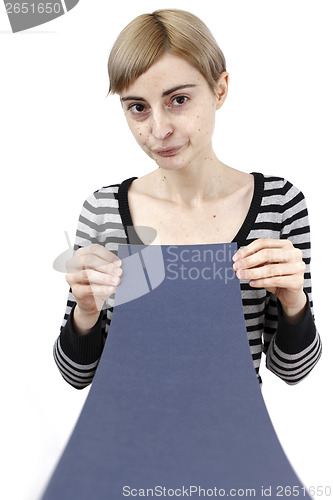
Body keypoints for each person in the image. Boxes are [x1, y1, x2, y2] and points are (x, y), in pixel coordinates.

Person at [54, 9, 322, 389]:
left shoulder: (280, 203)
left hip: (233, 439)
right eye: (138, 107)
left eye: (178, 100)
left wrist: (295, 302)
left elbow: (292, 370)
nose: (159, 129)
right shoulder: (103, 210)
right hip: (125, 438)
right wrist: (85, 310)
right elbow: (76, 375)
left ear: (220, 90)